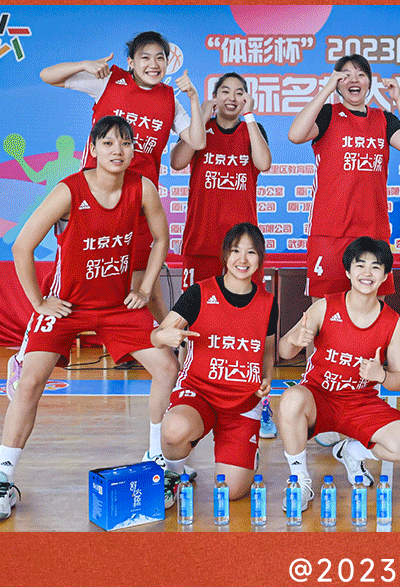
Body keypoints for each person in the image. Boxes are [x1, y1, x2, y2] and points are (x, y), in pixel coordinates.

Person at [0, 116, 179, 520]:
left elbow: (161, 238)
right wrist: (39, 302)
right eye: (109, 143)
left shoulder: (142, 188)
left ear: (133, 151)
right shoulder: (69, 190)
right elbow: (22, 246)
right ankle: (3, 477)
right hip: (67, 306)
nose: (118, 150)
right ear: (93, 149)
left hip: (117, 307)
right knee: (30, 382)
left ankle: (156, 460)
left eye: (126, 143)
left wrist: (144, 288)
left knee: (167, 367)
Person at [39, 31, 206, 325]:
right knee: (80, 276)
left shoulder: (169, 99)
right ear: (131, 62)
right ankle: (50, 327)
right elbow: (47, 76)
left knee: (145, 289)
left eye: (160, 58)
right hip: (95, 198)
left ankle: (167, 341)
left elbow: (197, 140)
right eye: (145, 57)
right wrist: (84, 65)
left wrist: (193, 98)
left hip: (137, 204)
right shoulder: (109, 80)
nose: (153, 64)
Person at [277, 237, 400, 511]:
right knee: (291, 399)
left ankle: (352, 451)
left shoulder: (393, 323)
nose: (367, 272)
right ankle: (299, 480)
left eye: (376, 267)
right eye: (360, 265)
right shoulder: (324, 307)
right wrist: (294, 340)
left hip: (360, 403)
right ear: (348, 271)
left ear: (385, 276)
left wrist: (381, 375)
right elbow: (284, 351)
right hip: (319, 397)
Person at [169, 72, 275, 439]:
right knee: (189, 326)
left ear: (247, 99)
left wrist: (250, 117)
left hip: (243, 252)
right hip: (201, 242)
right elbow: (177, 161)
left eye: (240, 92)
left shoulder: (252, 129)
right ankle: (183, 395)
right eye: (225, 91)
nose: (232, 97)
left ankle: (259, 403)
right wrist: (201, 112)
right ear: (215, 96)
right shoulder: (201, 130)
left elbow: (264, 163)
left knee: (249, 329)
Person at [151, 223, 277, 505]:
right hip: (199, 392)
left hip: (243, 402)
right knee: (174, 429)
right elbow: (157, 335)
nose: (242, 259)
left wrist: (267, 376)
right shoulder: (199, 293)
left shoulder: (268, 302)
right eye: (235, 251)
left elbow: (267, 350)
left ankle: (247, 455)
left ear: (260, 258)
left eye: (251, 252)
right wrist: (163, 336)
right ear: (225, 255)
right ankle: (174, 474)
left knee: (231, 492)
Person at [288, 54, 400, 301]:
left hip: (373, 231)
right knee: (323, 309)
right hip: (330, 231)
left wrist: (399, 100)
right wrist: (326, 89)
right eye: (346, 75)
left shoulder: (383, 119)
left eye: (361, 75)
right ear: (338, 83)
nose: (354, 80)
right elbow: (295, 135)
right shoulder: (327, 114)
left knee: (373, 308)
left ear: (369, 83)